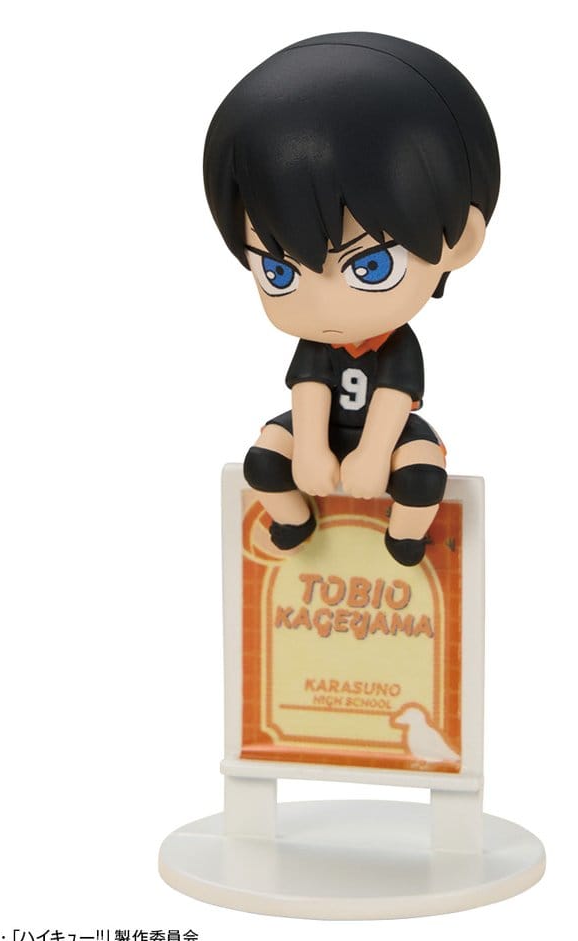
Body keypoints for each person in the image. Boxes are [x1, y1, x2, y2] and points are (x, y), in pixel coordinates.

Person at [203, 32, 499, 565]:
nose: (323, 306)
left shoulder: (397, 347)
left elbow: (393, 402)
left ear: (460, 241)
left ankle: (406, 539)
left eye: (370, 267)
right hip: (321, 434)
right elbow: (309, 390)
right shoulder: (316, 344)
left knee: (422, 475)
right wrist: (311, 448)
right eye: (277, 270)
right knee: (263, 462)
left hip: (387, 436)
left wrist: (372, 454)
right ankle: (294, 521)